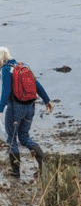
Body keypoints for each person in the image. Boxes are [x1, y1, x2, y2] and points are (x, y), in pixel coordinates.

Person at [0, 47, 53, 177]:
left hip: (15, 108)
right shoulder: (24, 65)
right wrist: (47, 100)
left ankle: (15, 172)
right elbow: (37, 85)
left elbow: (6, 92)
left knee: (11, 139)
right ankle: (43, 166)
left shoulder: (6, 70)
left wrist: (0, 109)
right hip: (30, 106)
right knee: (24, 137)